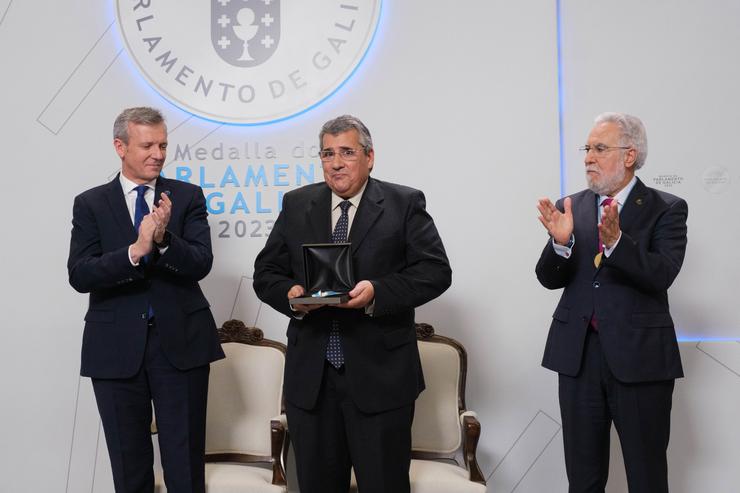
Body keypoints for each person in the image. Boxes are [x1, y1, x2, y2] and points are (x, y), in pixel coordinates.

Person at [253, 114, 451, 493]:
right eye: (327, 153)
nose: (336, 162)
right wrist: (291, 297)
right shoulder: (297, 204)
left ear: (369, 157)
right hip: (312, 381)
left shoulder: (404, 203)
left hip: (381, 378)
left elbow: (435, 272)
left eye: (347, 152)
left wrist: (378, 291)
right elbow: (266, 273)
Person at [67, 107, 224, 493]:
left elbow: (201, 263)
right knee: (129, 467)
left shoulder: (186, 197)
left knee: (185, 467)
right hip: (115, 350)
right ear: (120, 146)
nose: (158, 153)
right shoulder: (90, 204)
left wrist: (165, 239)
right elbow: (80, 274)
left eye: (163, 145)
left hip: (182, 346)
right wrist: (135, 251)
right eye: (148, 145)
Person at [535, 112, 688, 492]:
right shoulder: (571, 205)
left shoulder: (666, 208)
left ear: (629, 155)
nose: (588, 156)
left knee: (646, 476)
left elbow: (661, 274)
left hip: (640, 360)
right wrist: (562, 243)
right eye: (587, 148)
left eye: (599, 148)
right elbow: (547, 279)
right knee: (583, 479)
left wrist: (619, 243)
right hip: (578, 357)